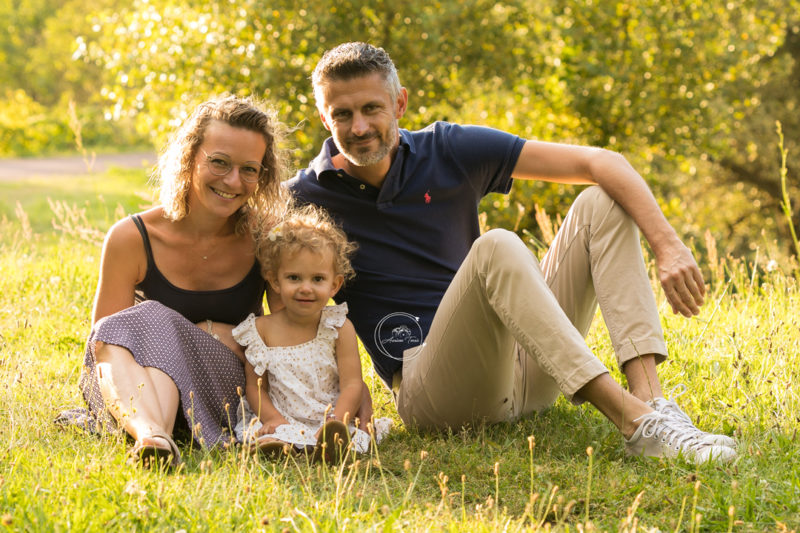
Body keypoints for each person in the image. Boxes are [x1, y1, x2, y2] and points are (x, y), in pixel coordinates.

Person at [287, 42, 738, 464]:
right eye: (342, 114)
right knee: (498, 245)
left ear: (400, 104)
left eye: (371, 109)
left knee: (602, 201)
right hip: (434, 394)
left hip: (528, 372)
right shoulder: (303, 198)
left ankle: (653, 402)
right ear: (325, 120)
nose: (360, 127)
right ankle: (636, 423)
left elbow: (603, 162)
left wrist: (669, 246)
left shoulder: (447, 149)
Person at [77, 95, 290, 466]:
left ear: (263, 175)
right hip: (141, 390)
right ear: (190, 158)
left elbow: (292, 334)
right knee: (131, 326)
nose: (233, 181)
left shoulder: (266, 236)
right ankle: (152, 437)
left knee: (153, 317)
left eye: (250, 169)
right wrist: (190, 329)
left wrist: (218, 334)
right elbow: (105, 341)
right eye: (219, 163)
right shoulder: (131, 237)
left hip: (229, 388)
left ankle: (153, 431)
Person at [231, 205, 391, 462]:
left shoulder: (338, 328)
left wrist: (338, 418)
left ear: (334, 285)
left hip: (329, 414)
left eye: (317, 279)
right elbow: (255, 387)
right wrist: (272, 418)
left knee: (349, 437)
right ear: (275, 281)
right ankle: (278, 445)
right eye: (294, 278)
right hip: (282, 416)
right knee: (269, 432)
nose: (306, 288)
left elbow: (352, 383)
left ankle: (331, 441)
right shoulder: (260, 330)